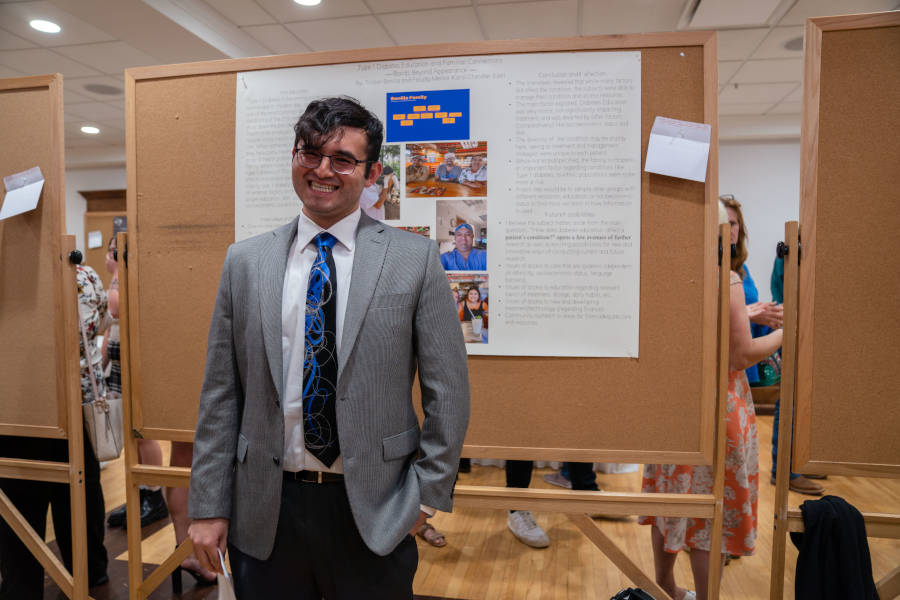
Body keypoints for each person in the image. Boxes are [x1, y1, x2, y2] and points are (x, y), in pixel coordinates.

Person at [188, 96, 470, 599]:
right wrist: (209, 504)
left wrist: (424, 499)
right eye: (310, 154)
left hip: (375, 511)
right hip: (265, 512)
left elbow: (447, 392)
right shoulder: (246, 262)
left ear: (371, 171)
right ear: (295, 157)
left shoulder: (415, 259)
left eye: (342, 159)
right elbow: (220, 394)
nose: (323, 170)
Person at [638, 200, 783, 600]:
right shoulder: (729, 278)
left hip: (676, 402)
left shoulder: (668, 273)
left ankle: (665, 587)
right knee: (709, 514)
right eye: (728, 225)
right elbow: (740, 356)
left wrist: (746, 318)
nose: (733, 232)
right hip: (720, 407)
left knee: (670, 501)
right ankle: (706, 597)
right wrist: (792, 332)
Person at [0, 265, 111, 599]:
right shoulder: (86, 276)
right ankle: (90, 571)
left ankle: (22, 586)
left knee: (19, 500)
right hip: (78, 404)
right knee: (81, 492)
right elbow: (101, 322)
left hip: (20, 406)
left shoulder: (10, 270)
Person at [719, 195, 823, 496]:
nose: (731, 229)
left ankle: (790, 467)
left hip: (747, 358)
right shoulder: (721, 271)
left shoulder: (741, 267)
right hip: (729, 365)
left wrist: (762, 314)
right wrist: (769, 320)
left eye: (735, 222)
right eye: (725, 222)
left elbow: (748, 307)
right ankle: (785, 470)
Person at [102, 236, 169, 531]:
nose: (107, 256)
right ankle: (139, 491)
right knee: (130, 435)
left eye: (112, 251)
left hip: (136, 364)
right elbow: (110, 327)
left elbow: (115, 308)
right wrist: (101, 365)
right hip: (117, 366)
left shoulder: (127, 280)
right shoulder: (119, 281)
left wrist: (118, 268)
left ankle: (155, 498)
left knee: (143, 434)